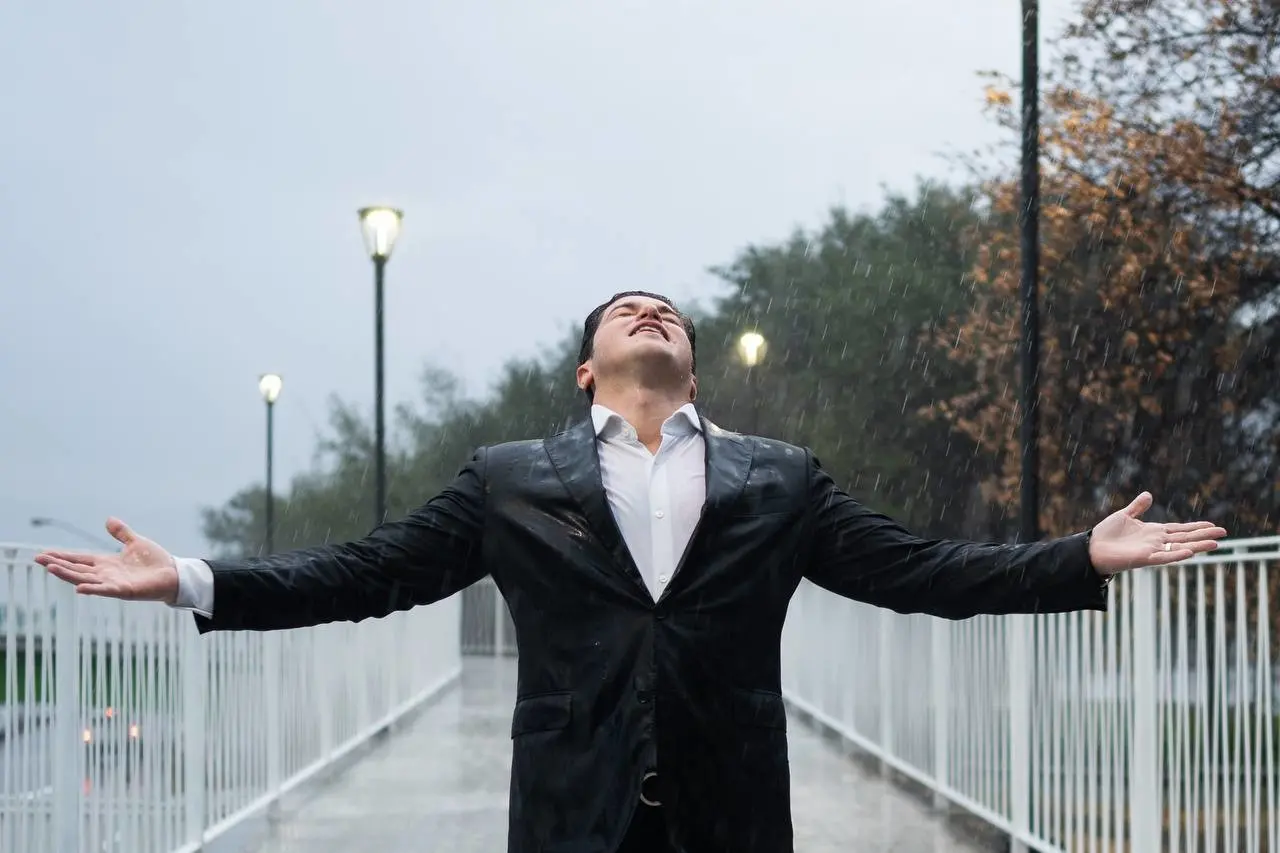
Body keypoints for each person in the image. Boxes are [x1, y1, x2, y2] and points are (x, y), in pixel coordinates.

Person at [37, 290, 1227, 853]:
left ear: (692, 374)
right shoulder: (508, 478)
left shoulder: (781, 479)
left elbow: (919, 570)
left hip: (733, 808)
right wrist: (195, 578)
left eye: (668, 315)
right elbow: (369, 570)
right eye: (625, 309)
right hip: (568, 812)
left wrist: (1079, 554)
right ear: (585, 368)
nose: (651, 311)